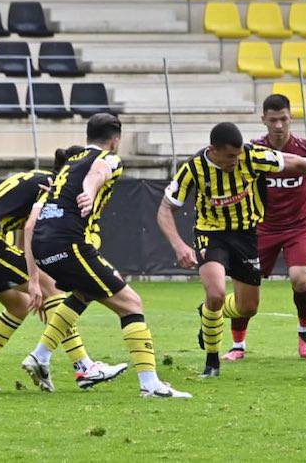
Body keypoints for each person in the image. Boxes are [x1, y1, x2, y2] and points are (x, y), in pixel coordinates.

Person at [156, 122, 306, 378]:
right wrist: (179, 246)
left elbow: (300, 163)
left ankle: (209, 312)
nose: (236, 160)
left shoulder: (251, 155)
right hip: (211, 234)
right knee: (216, 293)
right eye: (230, 156)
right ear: (213, 150)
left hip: (246, 235)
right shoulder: (193, 169)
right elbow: (165, 209)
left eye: (238, 154)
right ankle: (212, 363)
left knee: (248, 307)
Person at [22, 113, 191, 399]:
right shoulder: (110, 157)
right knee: (131, 304)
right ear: (116, 140)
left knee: (84, 293)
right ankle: (150, 385)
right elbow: (99, 170)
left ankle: (41, 355)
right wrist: (89, 191)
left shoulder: (70, 162)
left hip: (43, 242)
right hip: (69, 243)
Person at [0, 146, 127, 391]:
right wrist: (35, 281)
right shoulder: (51, 187)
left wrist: (32, 274)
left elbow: (25, 230)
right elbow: (32, 225)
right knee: (53, 290)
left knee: (19, 306)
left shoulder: (36, 176)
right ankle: (83, 367)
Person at [222, 95, 306, 362]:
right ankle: (238, 345)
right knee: (246, 287)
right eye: (273, 120)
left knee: (300, 279)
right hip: (260, 228)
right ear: (264, 120)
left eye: (283, 119)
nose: (279, 125)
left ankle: (305, 333)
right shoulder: (253, 151)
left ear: (291, 118)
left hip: (299, 226)